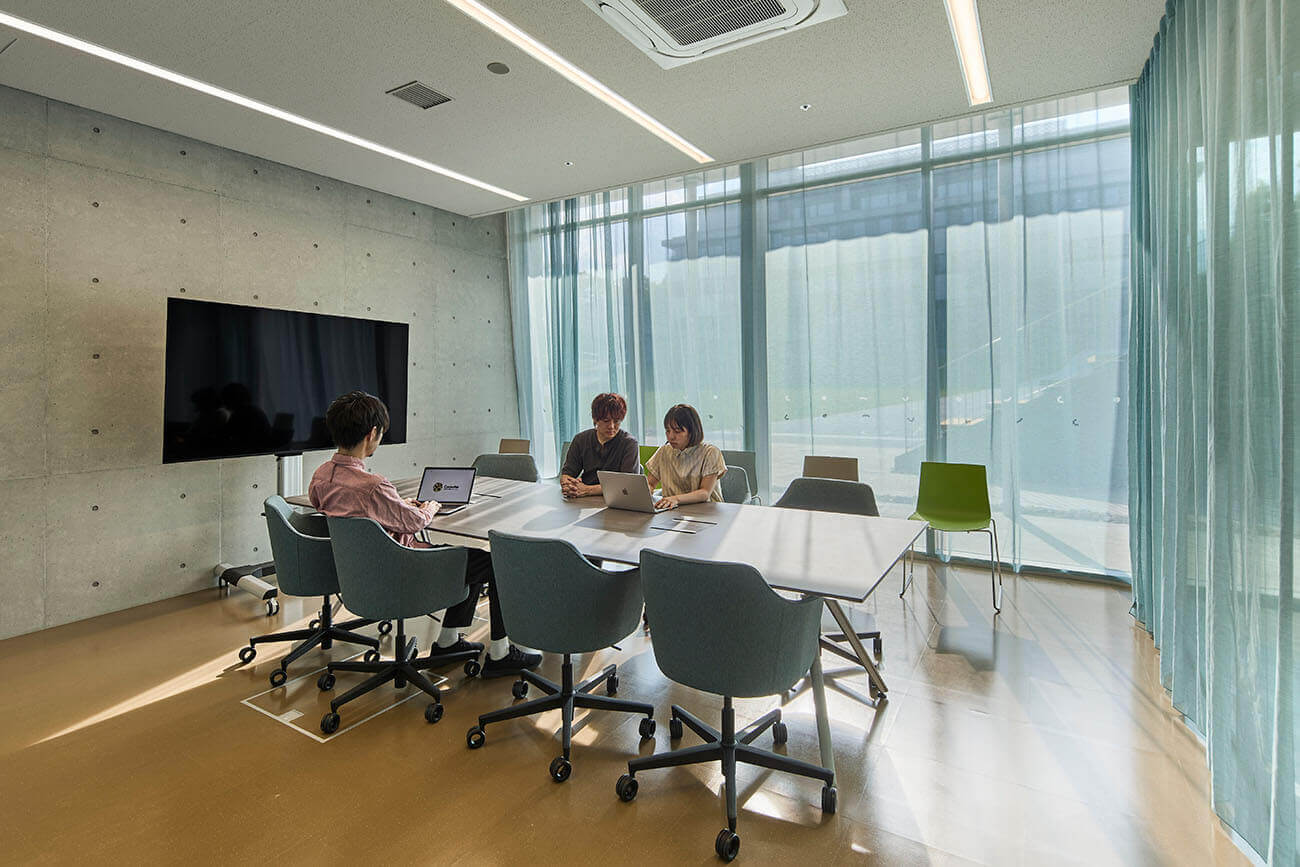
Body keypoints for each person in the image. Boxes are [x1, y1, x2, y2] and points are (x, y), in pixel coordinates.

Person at [308, 391, 540, 677]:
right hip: (403, 571)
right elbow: (415, 522)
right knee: (493, 561)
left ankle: (448, 642)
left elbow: (328, 508)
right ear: (372, 434)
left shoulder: (321, 475)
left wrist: (397, 505)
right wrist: (431, 505)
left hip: (358, 572)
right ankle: (500, 653)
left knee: (469, 558)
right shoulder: (373, 486)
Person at [644, 404, 727, 510]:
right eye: (668, 430)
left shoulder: (710, 452)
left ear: (692, 431)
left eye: (677, 431)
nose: (671, 436)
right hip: (673, 511)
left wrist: (676, 499)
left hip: (707, 512)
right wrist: (646, 492)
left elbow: (705, 493)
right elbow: (650, 483)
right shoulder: (663, 451)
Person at [560, 392, 640, 498]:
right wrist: (569, 486)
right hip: (583, 498)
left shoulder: (629, 443)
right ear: (595, 419)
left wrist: (588, 490)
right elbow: (567, 474)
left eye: (617, 421)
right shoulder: (581, 439)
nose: (611, 426)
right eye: (606, 421)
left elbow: (628, 484)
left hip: (617, 500)